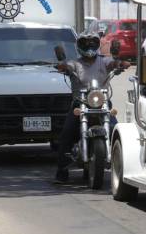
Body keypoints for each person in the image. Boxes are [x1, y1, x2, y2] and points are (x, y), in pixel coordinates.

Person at [54, 32, 129, 183]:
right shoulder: (75, 63)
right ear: (79, 46)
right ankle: (62, 171)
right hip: (79, 102)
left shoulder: (104, 61)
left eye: (92, 43)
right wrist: (62, 66)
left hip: (101, 101)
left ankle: (122, 169)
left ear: (97, 45)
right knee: (66, 134)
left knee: (117, 131)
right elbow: (67, 66)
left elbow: (112, 63)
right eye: (85, 43)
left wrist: (119, 63)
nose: (89, 46)